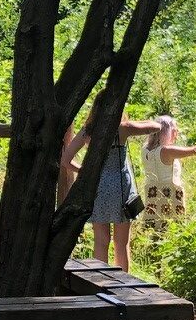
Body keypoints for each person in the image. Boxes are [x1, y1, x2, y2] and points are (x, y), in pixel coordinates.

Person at [62, 109, 163, 269]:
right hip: (122, 188)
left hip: (98, 188)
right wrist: (133, 122)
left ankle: (100, 283)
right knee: (121, 243)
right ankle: (123, 285)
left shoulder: (88, 131)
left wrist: (85, 171)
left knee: (101, 241)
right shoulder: (123, 128)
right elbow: (156, 126)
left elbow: (66, 160)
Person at [140, 115, 196, 231]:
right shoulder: (166, 150)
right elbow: (195, 150)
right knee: (173, 226)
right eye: (174, 130)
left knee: (153, 225)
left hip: (151, 192)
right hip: (169, 192)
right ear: (167, 132)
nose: (176, 133)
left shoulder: (145, 149)